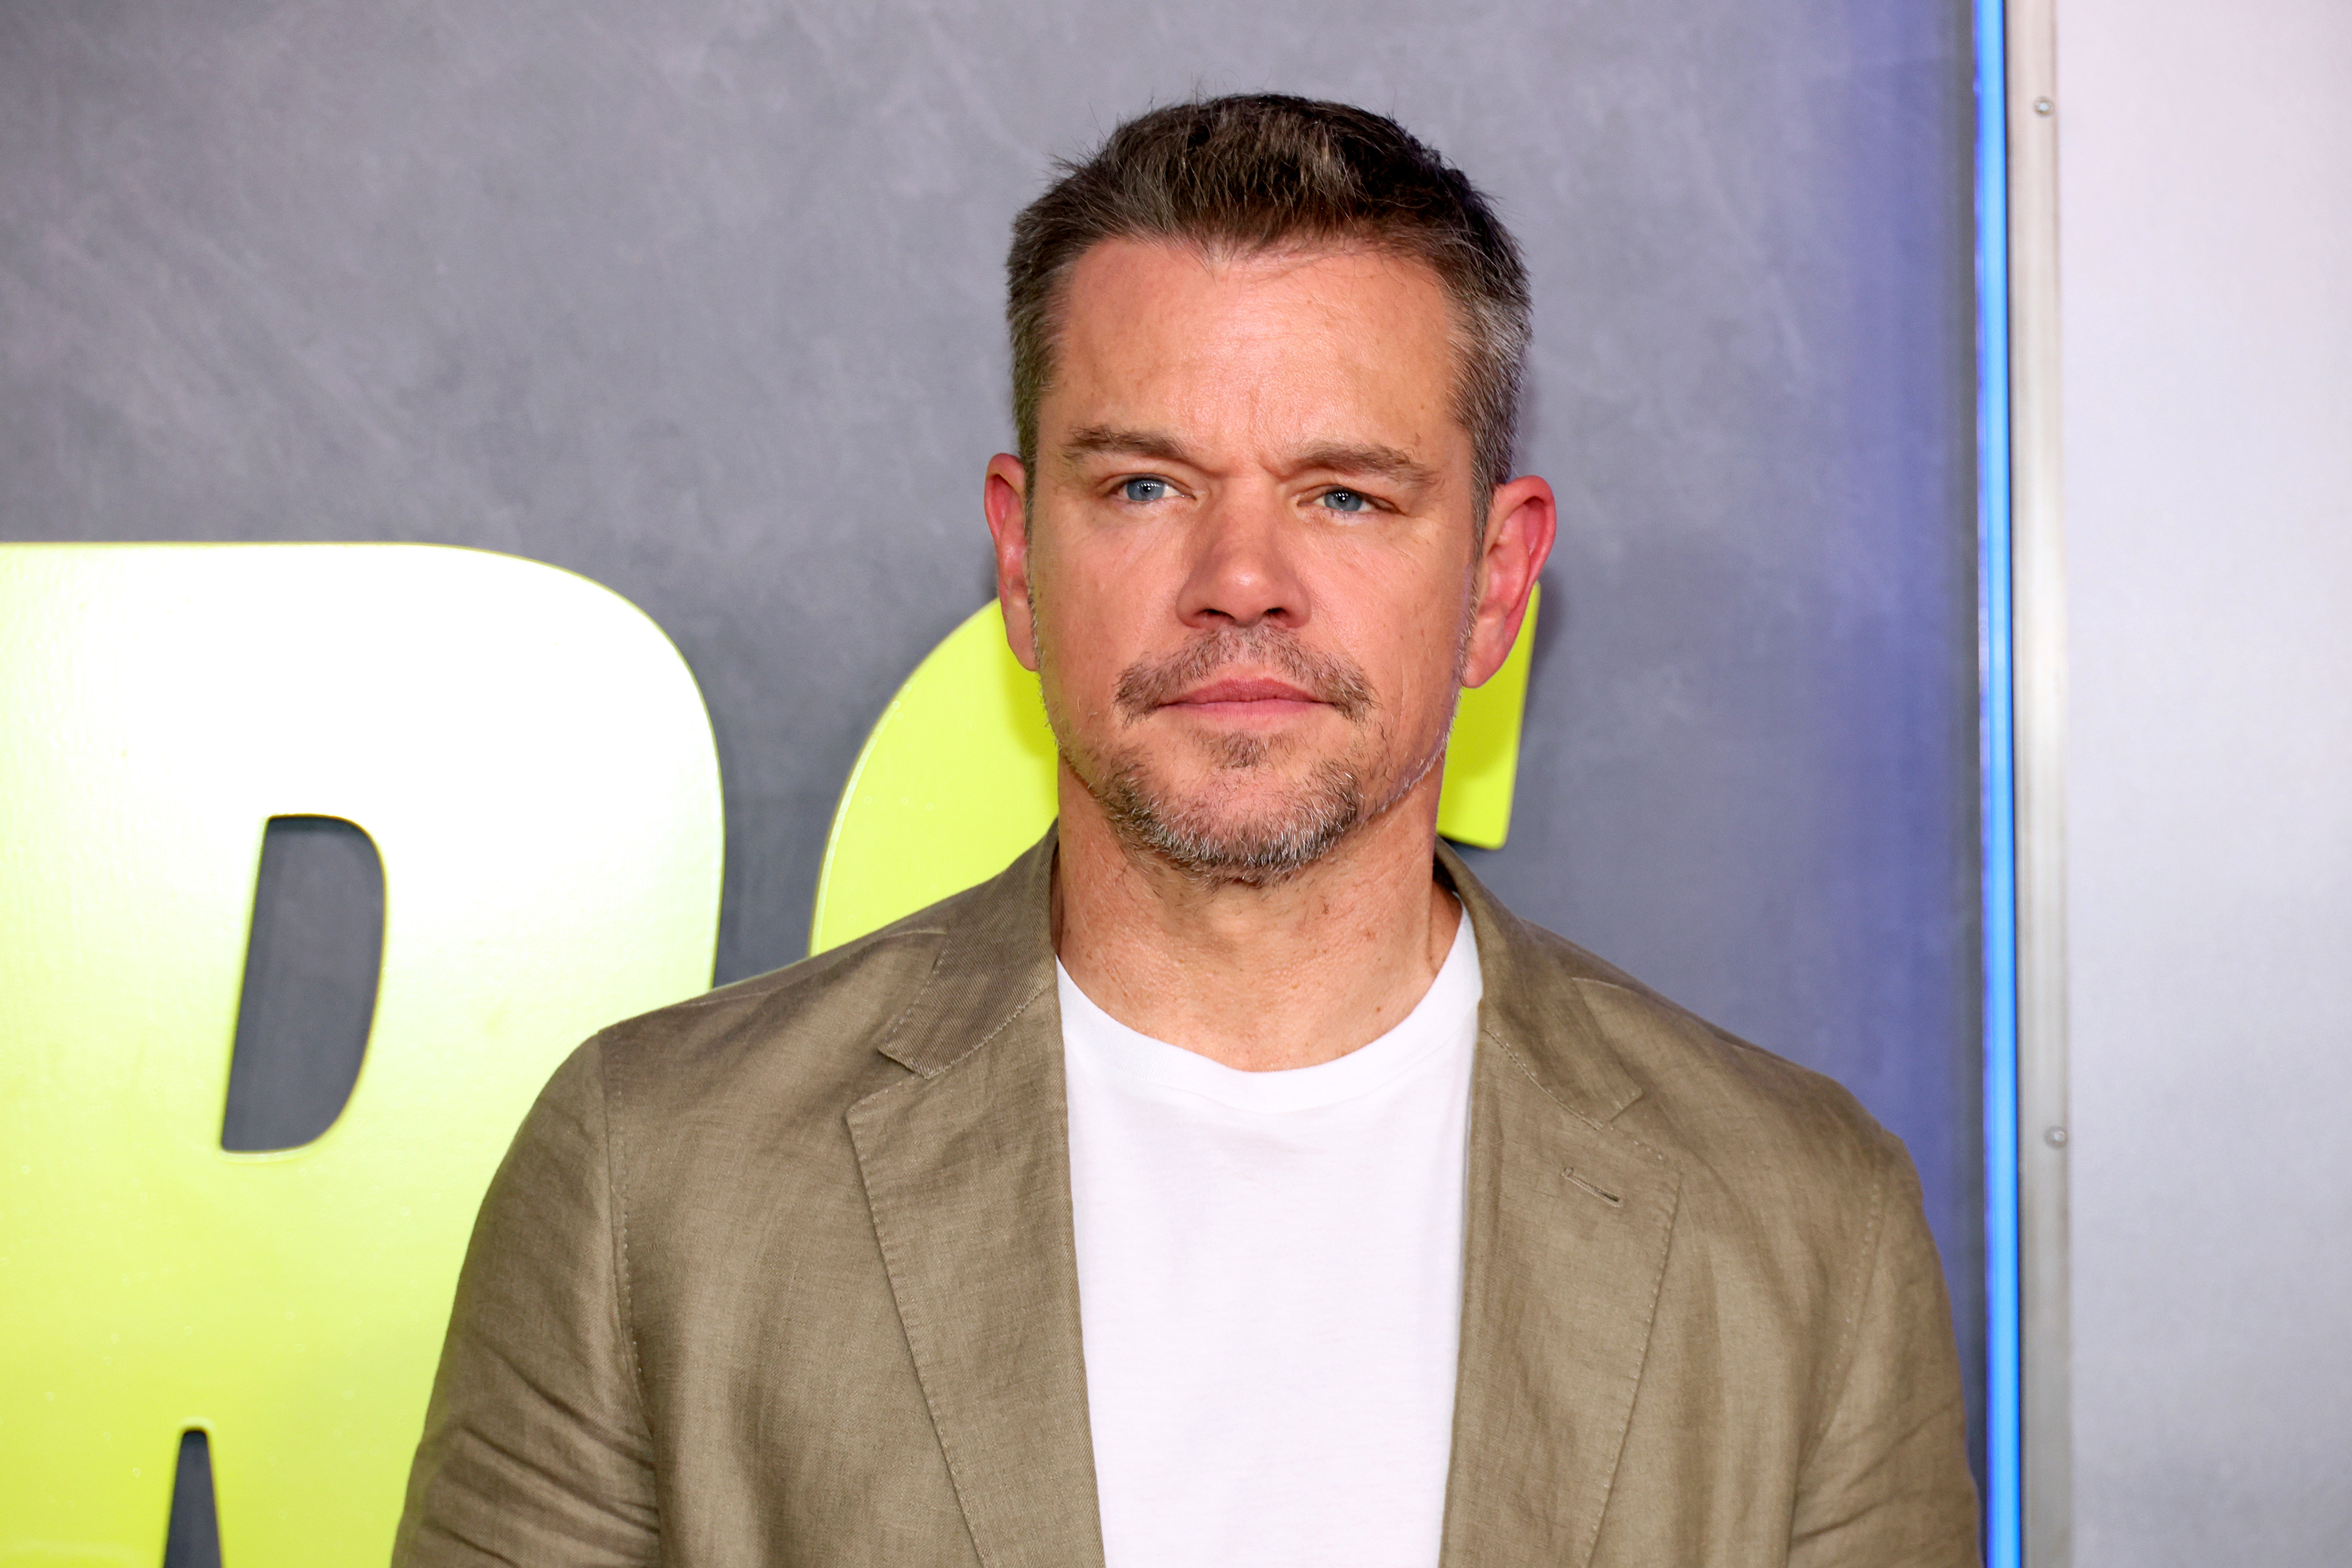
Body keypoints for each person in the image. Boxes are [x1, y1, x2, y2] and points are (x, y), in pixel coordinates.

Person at [395, 95, 1978, 1566]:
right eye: (1149, 486)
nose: (1242, 578)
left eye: (1345, 496)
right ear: (1021, 560)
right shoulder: (656, 1180)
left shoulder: (1800, 1225)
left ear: (1496, 581)